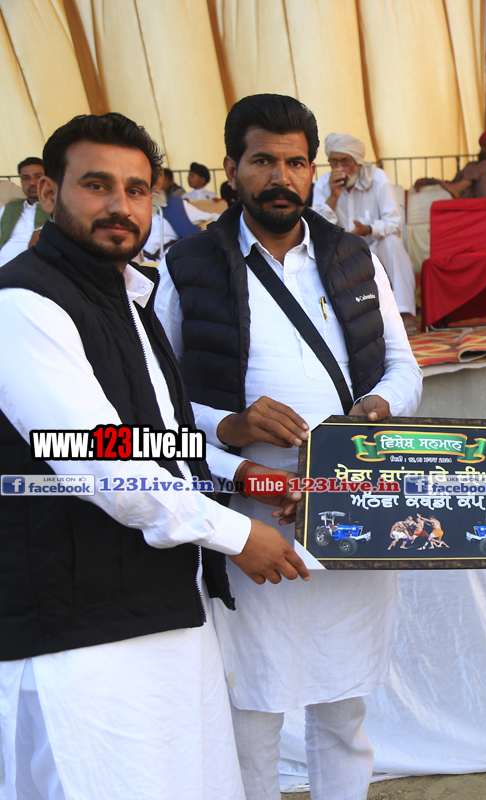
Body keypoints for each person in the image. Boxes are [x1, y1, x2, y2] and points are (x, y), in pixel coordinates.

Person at [0, 112, 308, 800]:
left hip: (164, 608)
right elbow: (100, 462)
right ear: (47, 192)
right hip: (78, 640)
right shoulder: (23, 304)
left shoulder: (131, 298)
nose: (120, 205)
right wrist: (236, 533)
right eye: (97, 185)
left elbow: (151, 441)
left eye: (136, 190)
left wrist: (241, 474)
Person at [156, 93, 423, 800]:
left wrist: (374, 410)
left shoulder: (354, 257)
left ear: (313, 171)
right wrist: (232, 426)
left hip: (348, 507)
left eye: (296, 163)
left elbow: (404, 369)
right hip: (247, 518)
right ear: (231, 169)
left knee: (344, 713)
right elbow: (157, 402)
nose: (281, 177)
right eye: (263, 161)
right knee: (252, 712)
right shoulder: (187, 266)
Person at [312, 132, 420, 333]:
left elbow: (394, 223)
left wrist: (368, 229)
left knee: (393, 242)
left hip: (374, 246)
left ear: (358, 162)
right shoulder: (323, 184)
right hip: (341, 252)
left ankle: (406, 313)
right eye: (334, 161)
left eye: (345, 161)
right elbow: (317, 229)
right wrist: (333, 196)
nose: (339, 167)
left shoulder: (378, 179)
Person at [415, 130, 486, 215]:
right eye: (485, 145)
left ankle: (462, 187)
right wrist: (428, 181)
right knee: (483, 178)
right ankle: (468, 196)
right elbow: (452, 184)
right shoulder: (471, 167)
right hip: (474, 205)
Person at [0, 156, 49, 265]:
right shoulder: (9, 208)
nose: (32, 182)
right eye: (26, 178)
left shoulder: (59, 206)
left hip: (37, 267)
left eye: (38, 177)